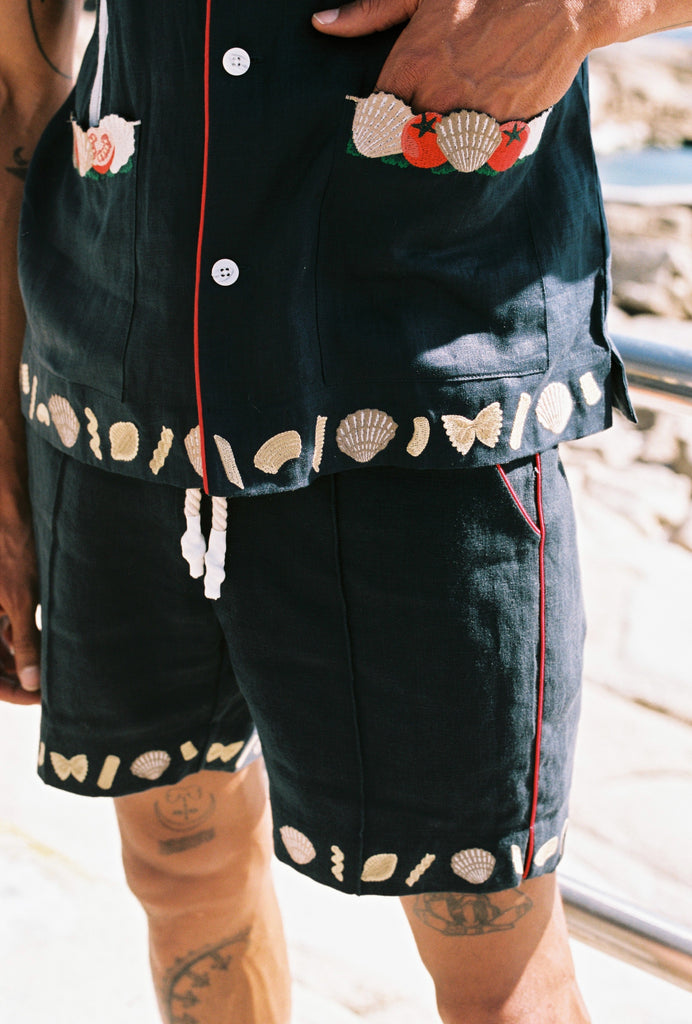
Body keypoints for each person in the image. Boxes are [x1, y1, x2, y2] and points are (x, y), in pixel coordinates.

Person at [1, 2, 689, 1022]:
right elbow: (18, 76)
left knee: (492, 960)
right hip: (111, 380)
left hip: (419, 391)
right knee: (178, 864)